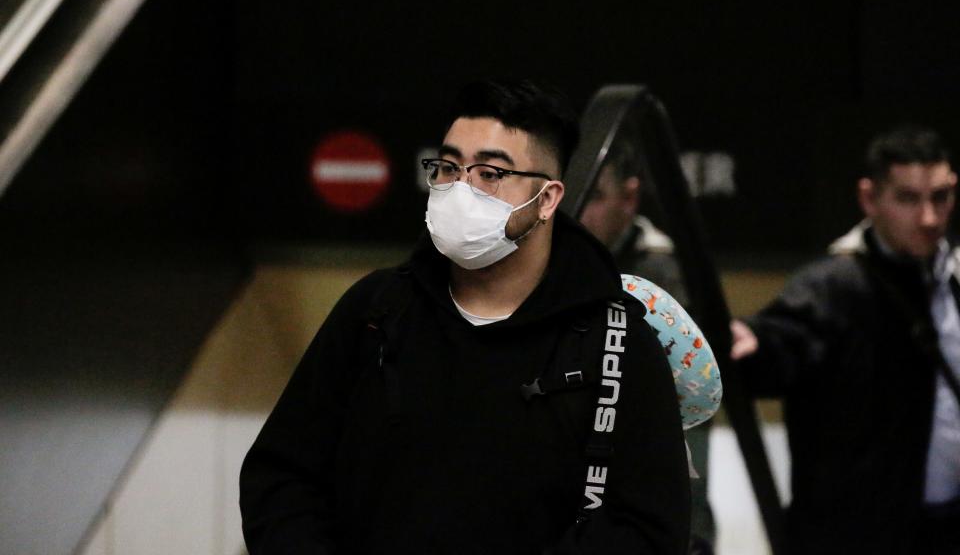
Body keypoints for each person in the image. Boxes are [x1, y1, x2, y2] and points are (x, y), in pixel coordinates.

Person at [239, 79, 691, 554]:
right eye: (449, 167)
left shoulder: (615, 343)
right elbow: (283, 476)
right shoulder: (376, 311)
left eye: (491, 173)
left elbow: (649, 530)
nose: (461, 188)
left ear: (548, 199)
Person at [730, 126, 960, 554]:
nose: (929, 217)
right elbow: (782, 342)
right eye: (908, 199)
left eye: (940, 197)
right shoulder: (833, 287)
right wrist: (753, 344)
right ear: (869, 199)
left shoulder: (953, 279)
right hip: (858, 537)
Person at [579, 133, 716, 555]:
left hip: (648, 517)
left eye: (595, 195)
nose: (577, 211)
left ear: (630, 196)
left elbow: (683, 434)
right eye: (574, 193)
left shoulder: (665, 282)